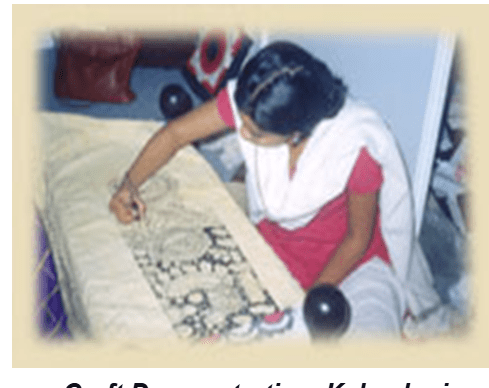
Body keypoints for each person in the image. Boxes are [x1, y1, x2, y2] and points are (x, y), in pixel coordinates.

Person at [109, 41, 414, 338]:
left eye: (255, 133)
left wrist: (308, 304)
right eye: (242, 122)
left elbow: (357, 239)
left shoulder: (353, 147)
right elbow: (176, 134)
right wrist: (128, 186)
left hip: (352, 266)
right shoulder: (254, 101)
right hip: (276, 250)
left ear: (295, 133)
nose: (241, 133)